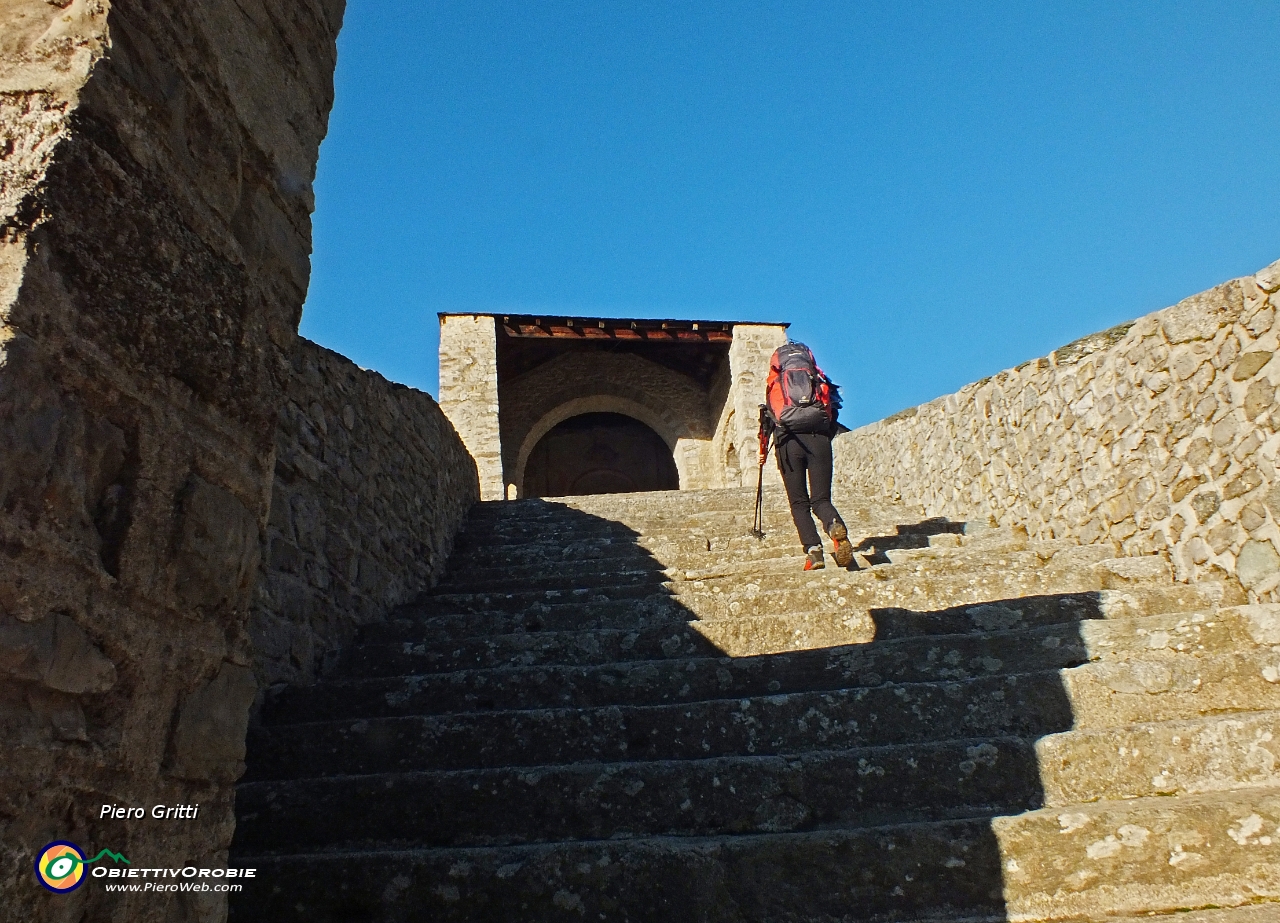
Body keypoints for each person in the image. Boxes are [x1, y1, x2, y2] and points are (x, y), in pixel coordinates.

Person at [758, 342, 854, 570]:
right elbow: (833, 410)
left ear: (777, 364)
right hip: (818, 440)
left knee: (799, 502)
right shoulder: (818, 379)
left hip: (788, 443)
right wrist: (823, 435)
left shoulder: (775, 384)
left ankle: (814, 552)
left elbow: (766, 420)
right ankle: (834, 527)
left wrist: (762, 452)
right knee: (821, 500)